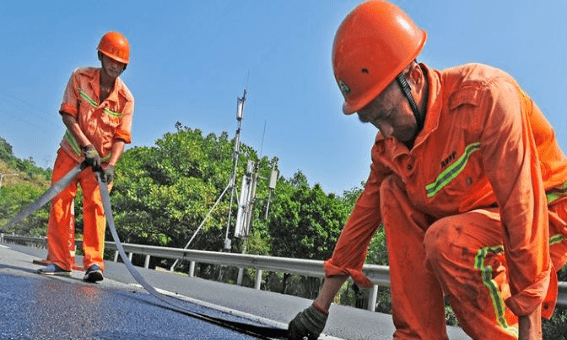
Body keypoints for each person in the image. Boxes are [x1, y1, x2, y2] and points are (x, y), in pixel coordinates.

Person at [287, 1, 567, 339]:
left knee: (445, 241)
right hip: (477, 218)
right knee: (391, 192)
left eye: (387, 115)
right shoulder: (391, 149)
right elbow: (361, 223)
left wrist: (529, 327)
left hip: (547, 215)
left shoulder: (487, 100)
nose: (385, 132)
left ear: (413, 77)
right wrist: (321, 307)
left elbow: (523, 207)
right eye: (372, 121)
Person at [37, 31, 134, 283]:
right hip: (71, 154)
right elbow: (68, 114)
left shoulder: (125, 98)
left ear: (125, 67)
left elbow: (121, 136)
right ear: (100, 56)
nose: (115, 66)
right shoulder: (79, 77)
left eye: (120, 63)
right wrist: (86, 146)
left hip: (99, 166)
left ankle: (93, 265)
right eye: (111, 59)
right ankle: (60, 261)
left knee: (96, 208)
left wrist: (111, 165)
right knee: (60, 203)